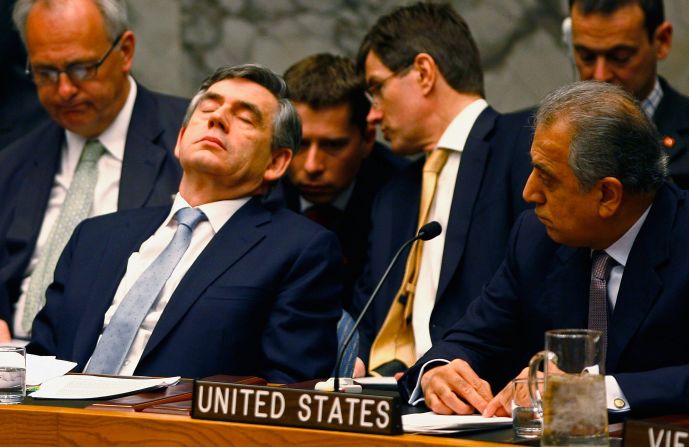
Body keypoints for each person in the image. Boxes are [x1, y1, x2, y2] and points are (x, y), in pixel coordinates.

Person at [28, 64, 343, 382]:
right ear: (180, 140)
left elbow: (286, 389)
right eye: (208, 107)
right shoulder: (94, 237)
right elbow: (40, 362)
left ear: (276, 163)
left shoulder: (299, 250)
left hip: (181, 428)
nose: (217, 118)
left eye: (245, 118)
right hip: (57, 423)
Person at [400, 81, 689, 418]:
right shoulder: (535, 239)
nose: (528, 192)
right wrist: (439, 371)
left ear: (608, 195)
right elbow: (473, 338)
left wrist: (595, 393)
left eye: (547, 177)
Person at [351, 2, 533, 377]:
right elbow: (368, 313)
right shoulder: (393, 194)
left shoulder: (524, 147)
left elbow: (540, 296)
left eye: (376, 89)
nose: (372, 113)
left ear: (423, 72)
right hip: (385, 397)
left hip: (478, 393)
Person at [0, 0, 188, 341]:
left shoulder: (191, 144)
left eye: (81, 68)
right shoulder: (13, 163)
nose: (65, 90)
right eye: (45, 73)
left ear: (125, 51)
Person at [264, 53, 406, 310]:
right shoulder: (255, 188)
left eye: (334, 145)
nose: (313, 166)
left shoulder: (404, 193)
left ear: (367, 138)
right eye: (300, 144)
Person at [569, 0, 689, 188]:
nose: (600, 76)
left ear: (662, 41)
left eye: (620, 57)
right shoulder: (532, 138)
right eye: (586, 56)